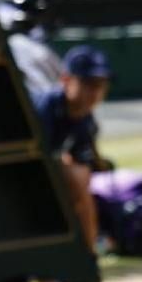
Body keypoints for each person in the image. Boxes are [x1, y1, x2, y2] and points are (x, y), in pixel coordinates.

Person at [34, 45, 110, 254]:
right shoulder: (44, 108)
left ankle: (88, 256)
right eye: (88, 84)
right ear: (66, 80)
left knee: (80, 180)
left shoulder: (86, 119)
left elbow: (83, 167)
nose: (95, 92)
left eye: (100, 85)